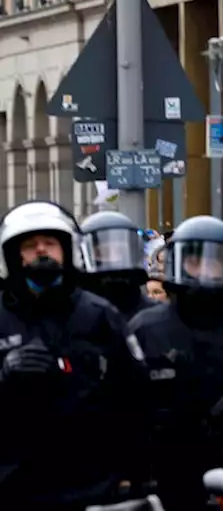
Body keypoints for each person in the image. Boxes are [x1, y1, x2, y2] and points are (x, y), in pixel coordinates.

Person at [0, 201, 146, 510]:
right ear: (14, 254)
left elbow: (136, 396)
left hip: (92, 485)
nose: (42, 251)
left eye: (50, 242)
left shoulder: (99, 315)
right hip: (13, 485)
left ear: (67, 248)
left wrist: (133, 472)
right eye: (30, 245)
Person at [130, 215, 223, 510]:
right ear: (178, 263)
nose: (204, 271)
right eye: (195, 261)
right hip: (165, 470)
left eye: (214, 261)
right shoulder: (146, 328)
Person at [78, 209, 158, 319]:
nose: (113, 258)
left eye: (120, 250)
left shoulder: (155, 315)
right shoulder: (72, 316)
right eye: (104, 252)